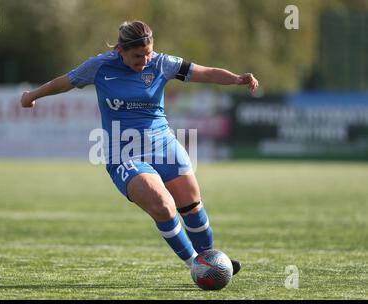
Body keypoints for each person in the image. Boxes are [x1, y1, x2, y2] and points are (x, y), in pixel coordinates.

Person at [21, 20, 258, 275]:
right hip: (124, 153)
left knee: (192, 205)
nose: (144, 60)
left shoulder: (161, 63)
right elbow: (64, 82)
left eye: (148, 53)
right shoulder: (100, 66)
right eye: (137, 55)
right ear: (120, 49)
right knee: (163, 205)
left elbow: (205, 72)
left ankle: (210, 258)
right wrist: (32, 96)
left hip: (164, 144)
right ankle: (197, 266)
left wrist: (236, 79)